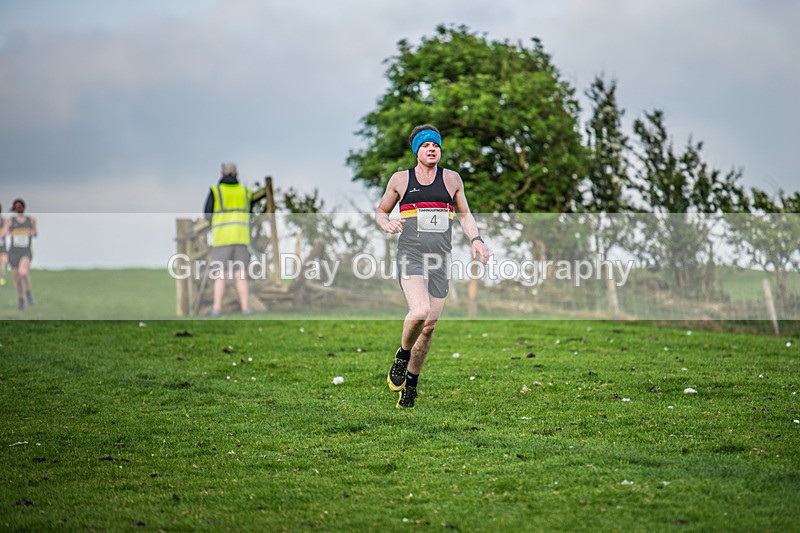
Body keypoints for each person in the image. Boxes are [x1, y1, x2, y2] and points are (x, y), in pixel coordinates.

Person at [375, 124, 489, 408]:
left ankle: (410, 386)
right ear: (417, 151)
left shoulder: (452, 180)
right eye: (426, 145)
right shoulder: (401, 180)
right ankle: (402, 356)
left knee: (428, 328)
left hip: (440, 258)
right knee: (420, 310)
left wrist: (476, 239)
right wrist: (386, 223)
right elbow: (380, 211)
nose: (432, 149)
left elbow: (465, 215)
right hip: (411, 253)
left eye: (436, 145)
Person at [203, 162, 254, 317]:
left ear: (222, 173)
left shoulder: (216, 191)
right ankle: (246, 309)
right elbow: (250, 213)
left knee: (221, 274)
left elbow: (207, 214)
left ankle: (217, 309)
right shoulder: (245, 191)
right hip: (241, 237)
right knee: (241, 274)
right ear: (236, 174)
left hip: (222, 238)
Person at [4, 199, 37, 311]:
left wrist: (29, 232)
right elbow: (4, 233)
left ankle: (28, 293)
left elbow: (35, 233)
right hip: (13, 252)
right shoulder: (10, 221)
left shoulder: (30, 220)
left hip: (25, 251)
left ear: (24, 207)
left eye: (20, 206)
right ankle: (21, 300)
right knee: (17, 279)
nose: (18, 209)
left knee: (23, 273)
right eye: (16, 207)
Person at [0, 203, 8, 287]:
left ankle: (5, 268)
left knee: (5, 260)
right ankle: (1, 278)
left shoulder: (3, 220)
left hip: (2, 244)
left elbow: (5, 232)